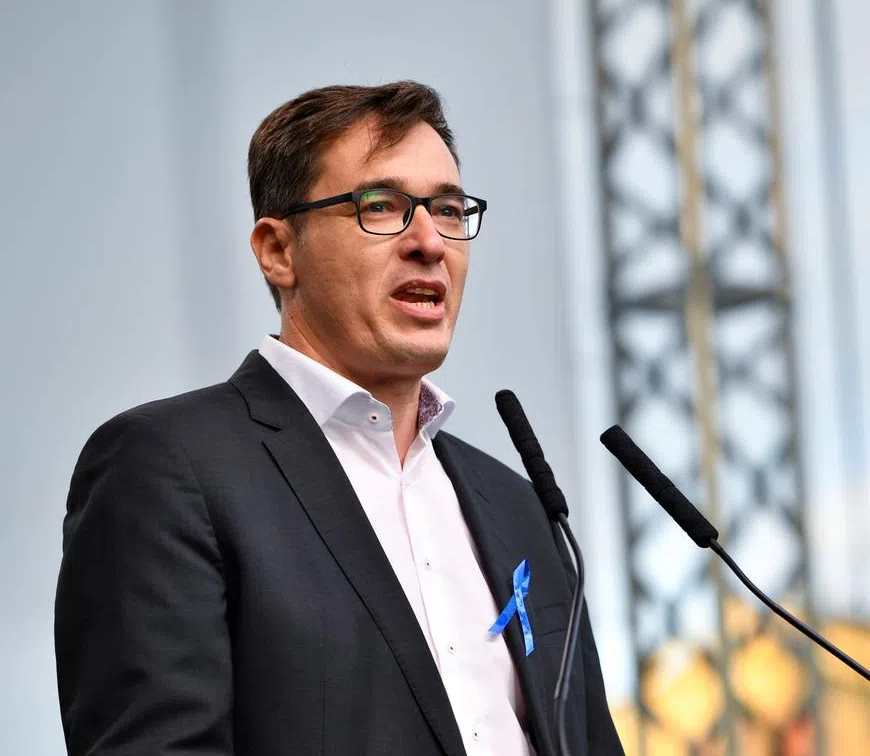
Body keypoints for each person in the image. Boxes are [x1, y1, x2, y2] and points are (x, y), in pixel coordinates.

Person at [54, 81, 623, 756]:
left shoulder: (518, 505)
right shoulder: (169, 469)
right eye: (381, 206)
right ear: (278, 250)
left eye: (448, 210)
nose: (429, 242)